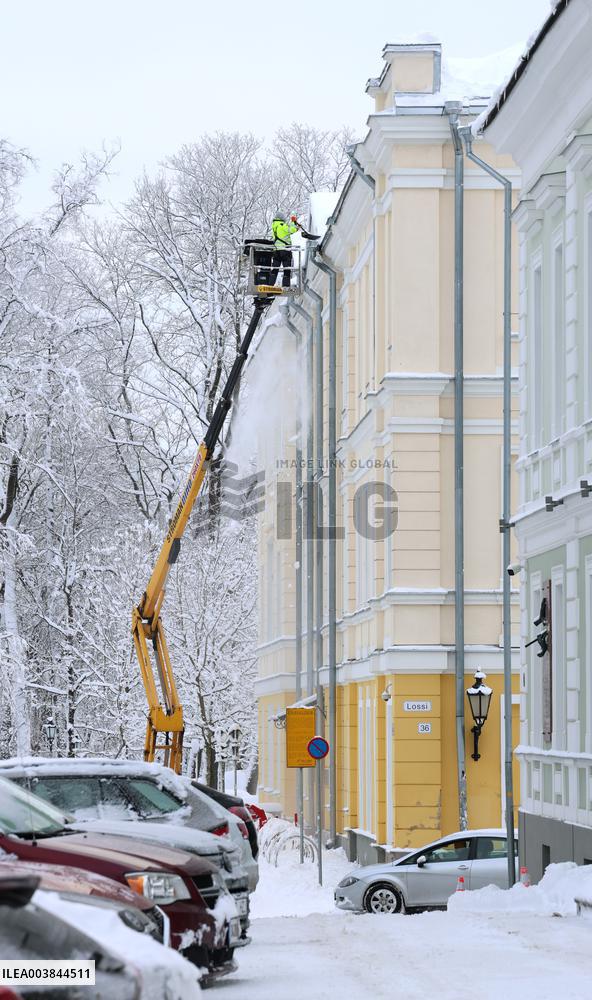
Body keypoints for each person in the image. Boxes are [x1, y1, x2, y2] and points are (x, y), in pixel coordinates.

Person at [269, 211, 299, 287]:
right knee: (287, 269)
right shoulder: (282, 225)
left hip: (276, 251)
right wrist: (293, 221)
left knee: (275, 269)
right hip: (285, 251)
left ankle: (270, 284)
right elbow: (293, 230)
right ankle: (285, 286)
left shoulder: (274, 226)